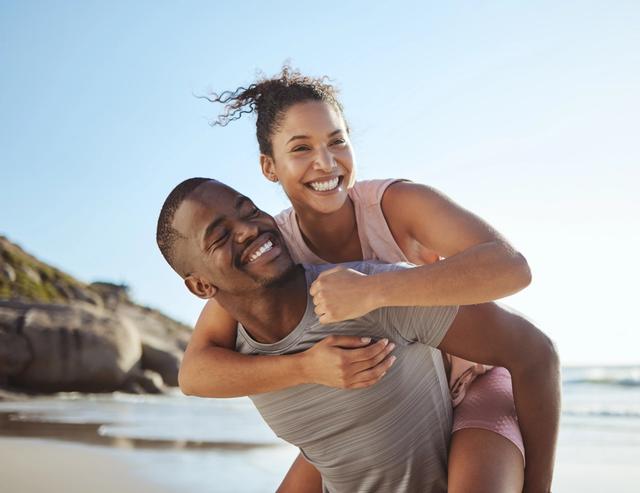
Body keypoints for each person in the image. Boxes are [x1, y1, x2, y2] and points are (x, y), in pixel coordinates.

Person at [181, 68, 560, 493]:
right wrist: (305, 367)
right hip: (380, 408)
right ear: (269, 166)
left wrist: (373, 290)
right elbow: (195, 372)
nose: (325, 162)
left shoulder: (395, 205)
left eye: (337, 141)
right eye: (301, 148)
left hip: (469, 384)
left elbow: (511, 268)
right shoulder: (271, 251)